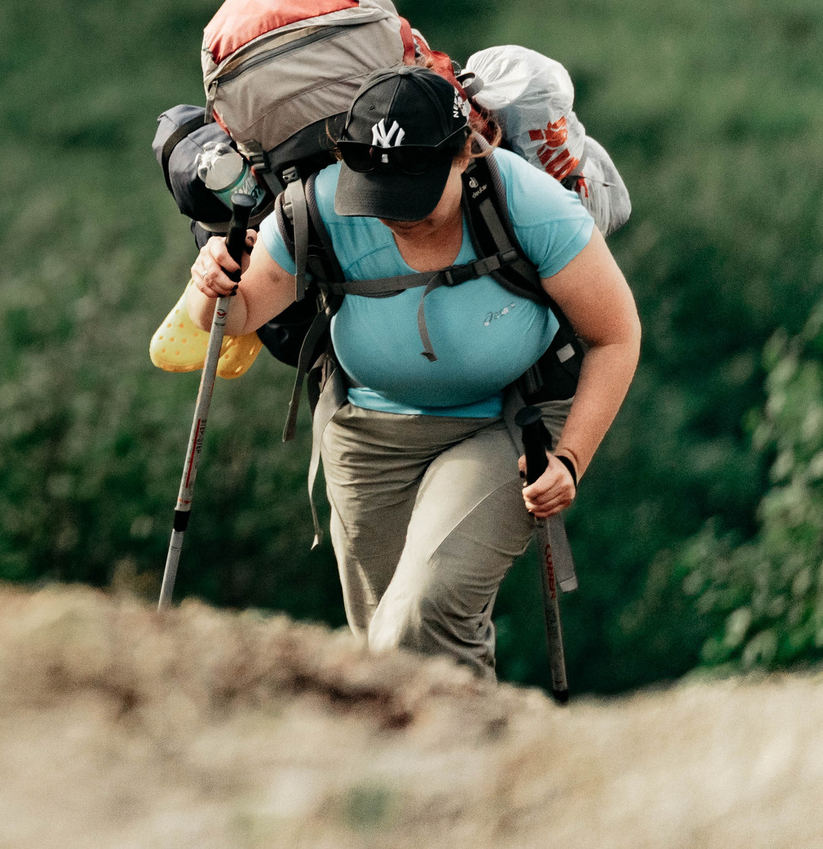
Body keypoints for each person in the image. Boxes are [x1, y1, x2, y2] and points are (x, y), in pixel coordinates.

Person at [182, 65, 641, 675]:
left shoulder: (528, 206)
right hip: (367, 433)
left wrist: (570, 458)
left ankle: (469, 762)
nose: (395, 215)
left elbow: (615, 335)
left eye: (414, 195)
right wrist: (207, 282)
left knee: (424, 612)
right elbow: (232, 318)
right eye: (377, 194)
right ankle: (431, 764)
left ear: (462, 156)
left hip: (504, 425)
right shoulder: (316, 205)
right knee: (384, 654)